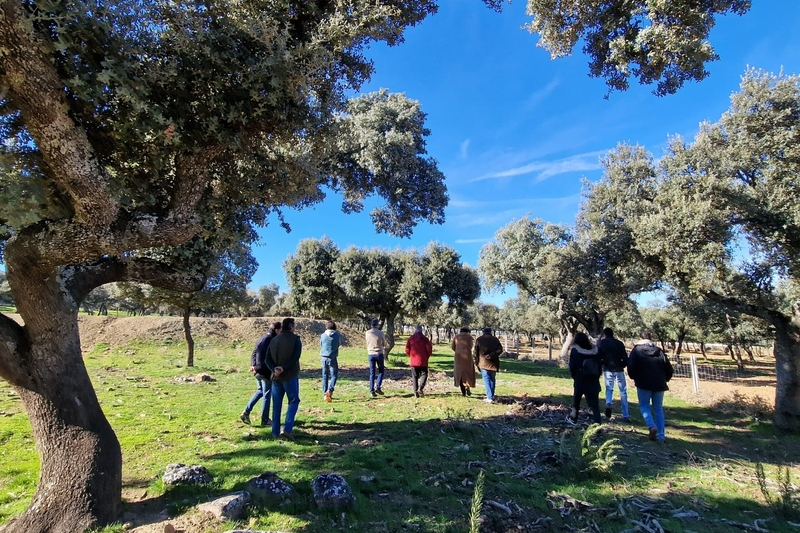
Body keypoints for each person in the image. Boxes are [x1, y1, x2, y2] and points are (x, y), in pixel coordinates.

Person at [627, 330, 674, 442]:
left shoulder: (636, 350)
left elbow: (631, 367)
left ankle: (651, 426)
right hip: (659, 383)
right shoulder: (659, 351)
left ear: (640, 338)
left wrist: (633, 377)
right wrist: (665, 379)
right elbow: (669, 368)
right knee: (658, 408)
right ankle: (661, 435)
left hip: (643, 383)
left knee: (644, 406)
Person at [266, 317, 302, 440]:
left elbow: (267, 359)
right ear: (291, 327)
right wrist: (283, 368)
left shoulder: (274, 340)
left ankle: (275, 433)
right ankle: (287, 428)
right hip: (290, 375)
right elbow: (296, 357)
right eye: (294, 325)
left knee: (276, 404)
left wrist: (274, 369)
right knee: (293, 401)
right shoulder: (296, 339)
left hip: (276, 377)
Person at [240, 321, 281, 426]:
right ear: (276, 330)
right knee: (267, 394)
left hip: (257, 371)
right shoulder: (272, 341)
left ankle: (246, 412)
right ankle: (265, 420)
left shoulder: (261, 338)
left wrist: (254, 365)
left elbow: (253, 353)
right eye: (280, 330)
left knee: (260, 391)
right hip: (265, 371)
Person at [567, 332, 602, 424]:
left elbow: (572, 366)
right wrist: (597, 376)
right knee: (595, 405)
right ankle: (597, 423)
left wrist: (574, 376)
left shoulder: (575, 351)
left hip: (580, 379)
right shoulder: (595, 351)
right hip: (593, 380)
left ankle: (573, 418)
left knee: (577, 401)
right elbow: (599, 366)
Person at [597, 327, 630, 422]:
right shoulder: (619, 343)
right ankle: (626, 415)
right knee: (623, 391)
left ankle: (608, 402)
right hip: (619, 369)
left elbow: (599, 356)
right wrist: (623, 365)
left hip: (608, 369)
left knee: (609, 389)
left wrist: (602, 364)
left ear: (604, 334)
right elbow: (624, 357)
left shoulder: (602, 343)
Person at [473, 327, 503, 403]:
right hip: (493, 363)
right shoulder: (495, 339)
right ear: (490, 332)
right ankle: (491, 396)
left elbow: (475, 352)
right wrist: (492, 355)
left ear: (483, 332)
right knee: (492, 379)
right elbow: (500, 350)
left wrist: (476, 362)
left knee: (486, 380)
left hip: (483, 363)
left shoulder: (479, 339)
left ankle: (489, 397)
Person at [405, 325, 433, 397]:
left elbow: (407, 349)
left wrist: (411, 356)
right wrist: (426, 357)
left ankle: (415, 392)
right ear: (421, 331)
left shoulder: (411, 339)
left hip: (414, 361)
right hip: (423, 360)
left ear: (415, 330)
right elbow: (429, 350)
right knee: (424, 374)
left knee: (414, 376)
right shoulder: (425, 339)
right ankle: (420, 388)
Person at [365, 318, 388, 397]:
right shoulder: (381, 333)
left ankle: (371, 390)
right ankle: (378, 386)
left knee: (372, 372)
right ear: (378, 325)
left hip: (370, 354)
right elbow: (384, 343)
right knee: (381, 371)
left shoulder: (367, 333)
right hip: (379, 353)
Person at [451, 327, 476, 396]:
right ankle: (467, 386)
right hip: (467, 357)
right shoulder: (469, 338)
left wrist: (458, 351)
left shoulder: (456, 337)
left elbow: (453, 347)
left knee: (459, 373)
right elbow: (471, 346)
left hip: (458, 357)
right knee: (468, 372)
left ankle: (463, 392)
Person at [320, 320, 341, 402]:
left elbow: (321, 344)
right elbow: (338, 344)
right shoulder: (337, 335)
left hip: (323, 357)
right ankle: (330, 390)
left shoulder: (322, 335)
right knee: (334, 375)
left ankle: (325, 393)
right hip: (332, 357)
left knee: (325, 375)